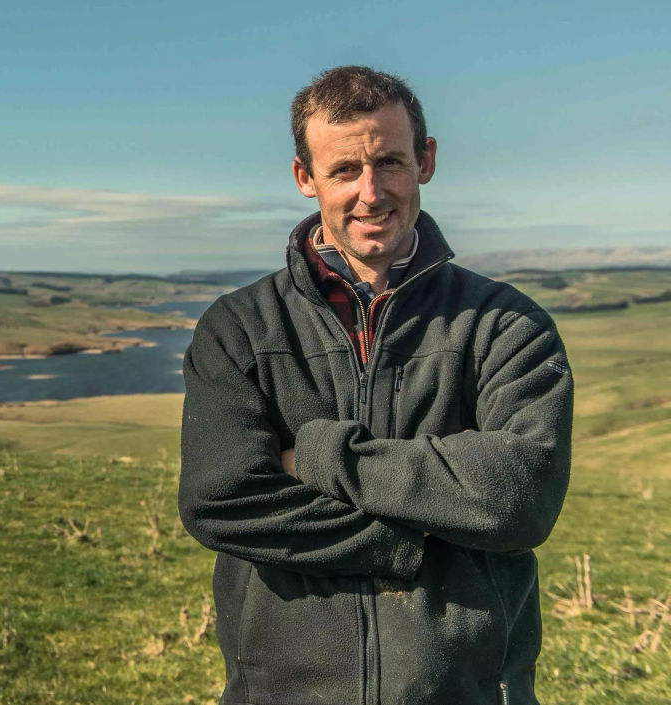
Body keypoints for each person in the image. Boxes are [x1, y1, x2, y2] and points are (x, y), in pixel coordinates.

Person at [178, 66, 573, 705]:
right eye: (343, 171)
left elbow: (521, 494)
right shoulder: (239, 329)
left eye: (389, 162)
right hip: (281, 691)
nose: (370, 192)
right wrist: (415, 535)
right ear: (305, 178)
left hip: (464, 690)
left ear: (426, 160)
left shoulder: (506, 326)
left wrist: (315, 457)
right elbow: (222, 500)